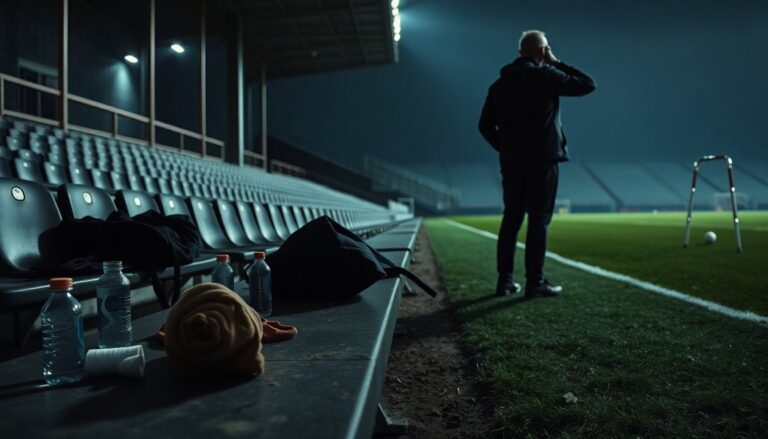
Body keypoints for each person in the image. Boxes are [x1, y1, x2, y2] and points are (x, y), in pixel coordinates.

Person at [478, 30, 595, 298]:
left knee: (511, 219)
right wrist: (556, 61)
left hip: (511, 162)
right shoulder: (545, 75)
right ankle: (535, 283)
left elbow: (484, 126)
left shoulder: (499, 85)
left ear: (520, 53)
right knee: (539, 219)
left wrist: (506, 148)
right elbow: (588, 85)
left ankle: (504, 282)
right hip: (542, 160)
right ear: (543, 51)